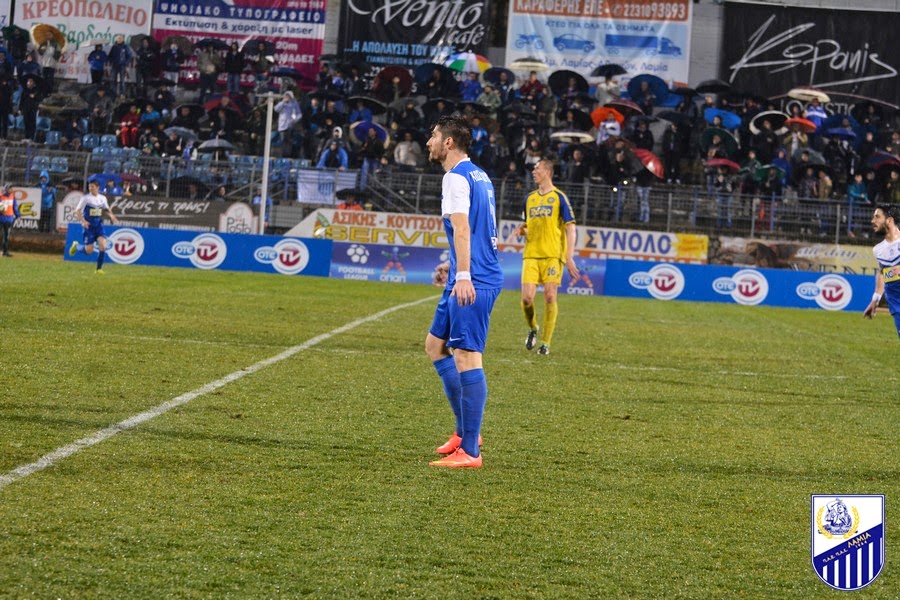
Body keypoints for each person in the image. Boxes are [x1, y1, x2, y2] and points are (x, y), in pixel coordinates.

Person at [424, 115, 503, 468]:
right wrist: (454, 267)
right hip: (467, 274)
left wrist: (465, 275)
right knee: (435, 346)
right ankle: (464, 433)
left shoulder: (455, 177)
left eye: (433, 135)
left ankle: (470, 450)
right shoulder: (479, 175)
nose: (429, 142)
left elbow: (462, 228)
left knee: (467, 357)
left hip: (475, 279)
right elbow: (481, 229)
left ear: (449, 142)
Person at [519, 159, 578, 356]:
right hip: (531, 254)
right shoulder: (529, 198)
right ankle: (533, 327)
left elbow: (571, 228)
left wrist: (569, 256)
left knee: (550, 296)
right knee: (527, 298)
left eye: (537, 168)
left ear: (547, 172)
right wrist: (522, 230)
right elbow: (527, 224)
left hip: (553, 255)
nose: (533, 171)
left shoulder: (559, 197)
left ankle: (545, 343)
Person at [864, 205, 900, 338]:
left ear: (889, 220)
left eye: (877, 217)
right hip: (896, 306)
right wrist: (875, 299)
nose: (872, 221)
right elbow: (882, 272)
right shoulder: (878, 250)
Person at [68, 179, 119, 274]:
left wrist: (111, 216)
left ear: (98, 187)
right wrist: (83, 221)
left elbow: (106, 209)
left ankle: (99, 269)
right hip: (89, 227)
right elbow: (78, 211)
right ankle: (76, 246)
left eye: (92, 186)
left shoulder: (102, 198)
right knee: (89, 250)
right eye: (89, 186)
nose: (90, 188)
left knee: (103, 246)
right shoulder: (85, 198)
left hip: (99, 225)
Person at [274, 90, 302, 158]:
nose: (287, 97)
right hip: (282, 125)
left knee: (289, 141)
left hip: (290, 125)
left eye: (288, 96)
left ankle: (288, 155)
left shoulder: (294, 103)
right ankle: (283, 155)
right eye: (286, 96)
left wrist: (294, 120)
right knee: (283, 141)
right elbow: (276, 109)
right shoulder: (282, 103)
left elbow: (299, 114)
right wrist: (283, 102)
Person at [0, 183, 20, 256]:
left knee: (6, 237)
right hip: (1, 219)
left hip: (9, 219)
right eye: (9, 188)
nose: (11, 189)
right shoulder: (1, 196)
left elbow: (15, 207)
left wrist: (18, 216)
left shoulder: (12, 196)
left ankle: (5, 252)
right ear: (6, 189)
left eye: (11, 188)